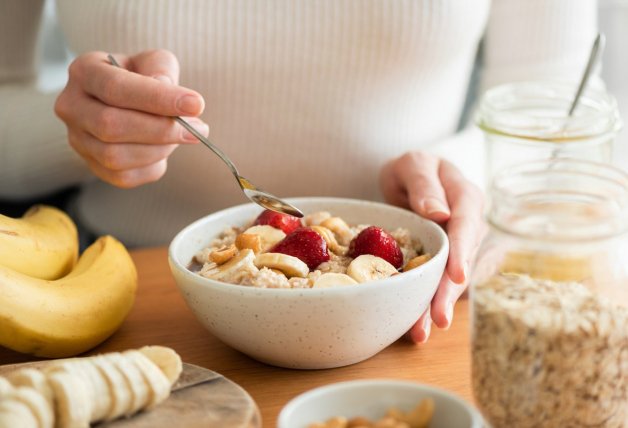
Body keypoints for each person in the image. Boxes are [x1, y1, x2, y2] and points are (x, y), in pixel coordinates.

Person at [0, 0, 597, 343]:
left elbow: (562, 104)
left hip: (408, 307)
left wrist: (458, 172)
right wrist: (83, 128)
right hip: (134, 302)